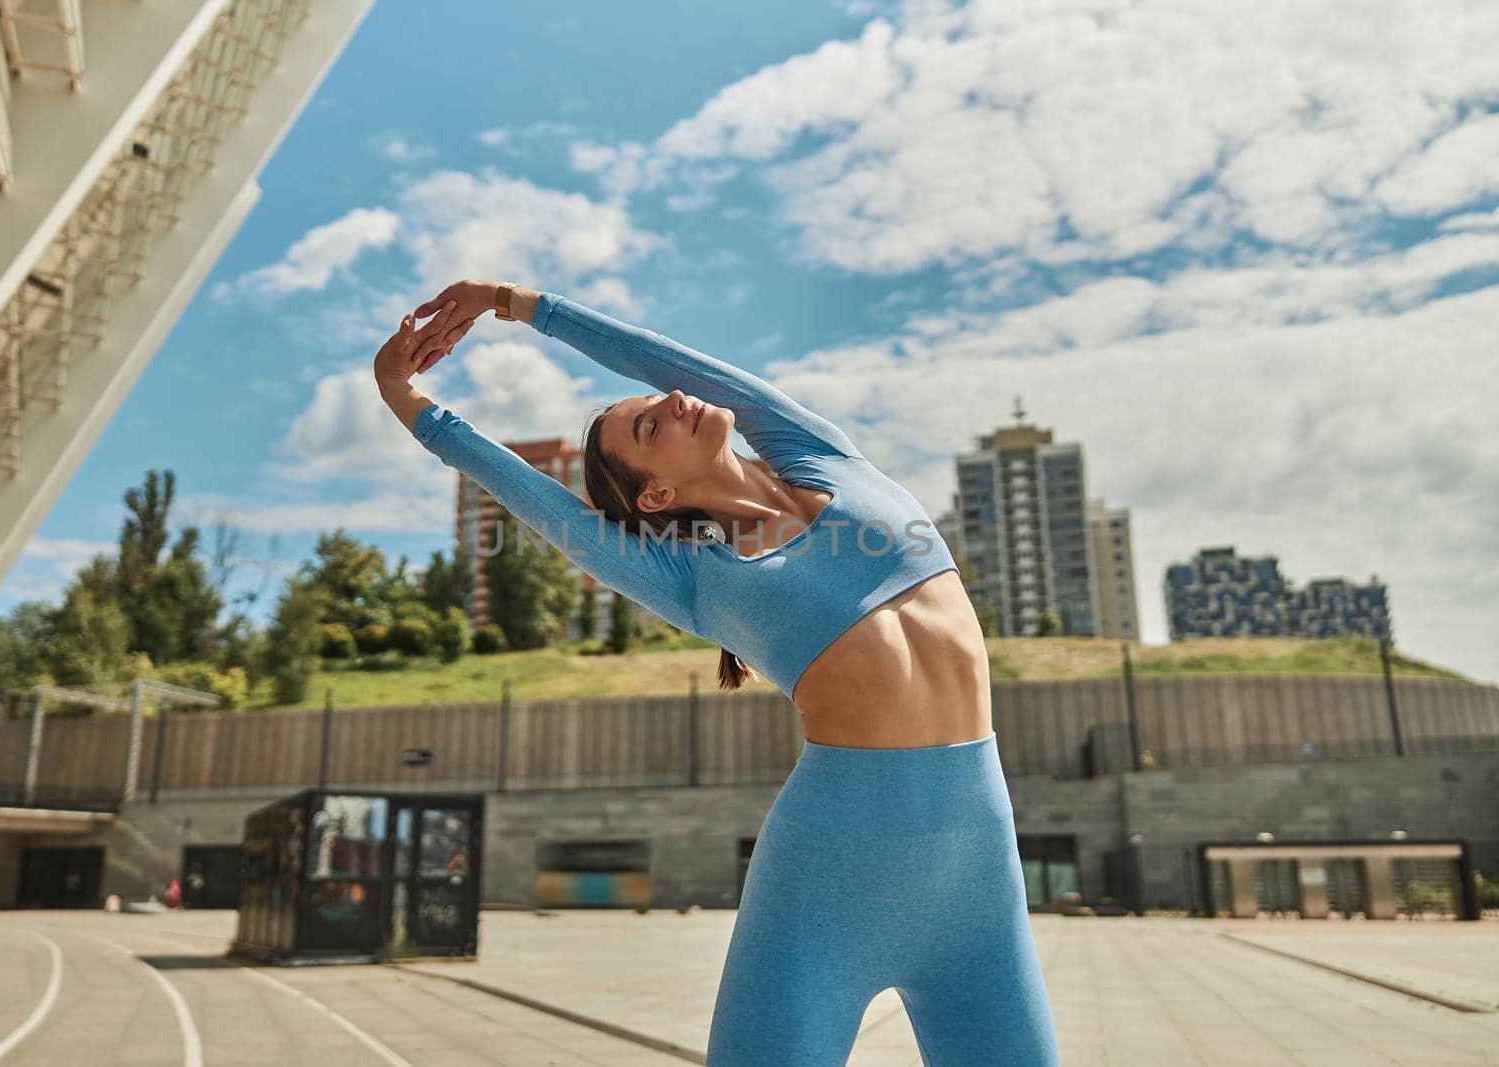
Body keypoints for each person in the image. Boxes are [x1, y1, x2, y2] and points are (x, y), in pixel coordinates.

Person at [375, 279, 1059, 1066]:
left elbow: (678, 363)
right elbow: (531, 497)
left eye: (656, 402)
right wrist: (402, 392)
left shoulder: (820, 452)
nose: (670, 400)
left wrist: (514, 301)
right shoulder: (695, 577)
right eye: (647, 425)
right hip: (826, 883)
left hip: (977, 875)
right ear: (657, 493)